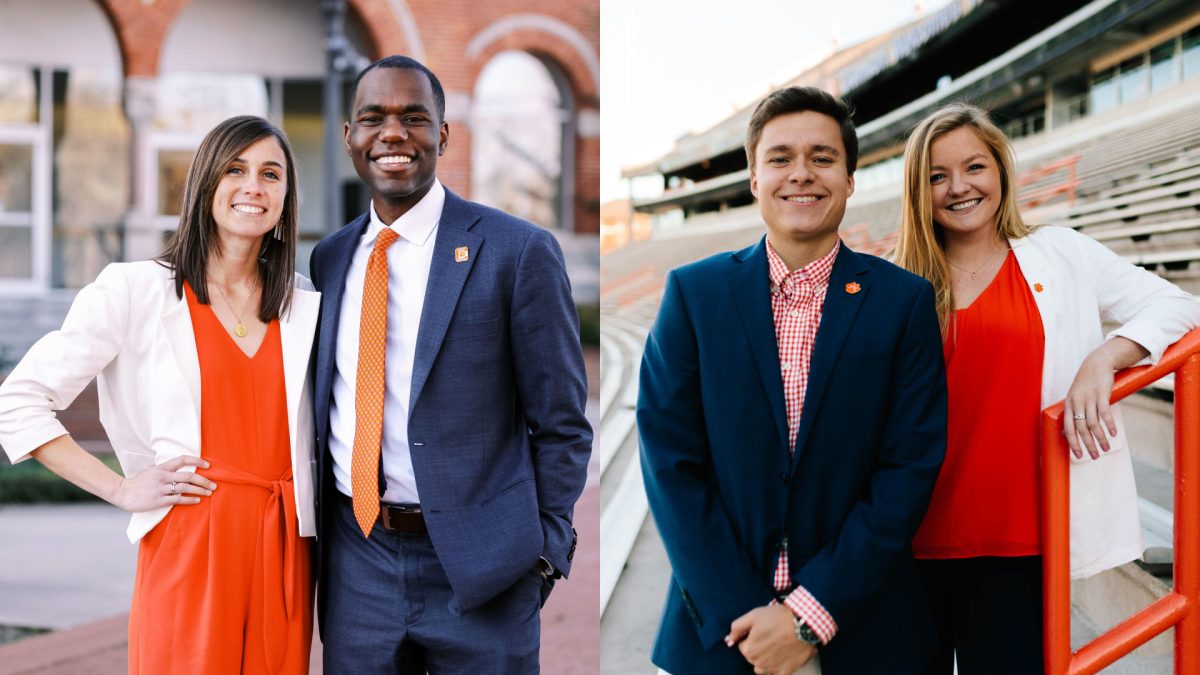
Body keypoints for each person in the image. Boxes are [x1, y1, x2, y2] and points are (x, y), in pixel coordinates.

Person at [637, 85, 947, 675]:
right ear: (754, 177)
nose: (800, 174)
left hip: (865, 631)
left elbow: (907, 471)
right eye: (780, 158)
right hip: (721, 636)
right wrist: (746, 616)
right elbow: (669, 462)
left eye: (822, 158)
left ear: (850, 179)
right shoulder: (692, 295)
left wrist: (810, 614)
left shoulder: (904, 302)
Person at [0, 115, 320, 674]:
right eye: (236, 169)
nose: (254, 187)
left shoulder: (303, 305)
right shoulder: (135, 289)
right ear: (205, 184)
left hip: (285, 551)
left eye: (271, 174)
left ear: (286, 197)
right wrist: (121, 488)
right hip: (190, 543)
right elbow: (18, 401)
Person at [893, 102, 1200, 674]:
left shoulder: (1061, 253)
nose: (959, 187)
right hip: (908, 540)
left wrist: (1106, 356)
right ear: (918, 189)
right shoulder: (896, 280)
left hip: (1020, 542)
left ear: (1001, 173)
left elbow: (1178, 303)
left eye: (975, 167)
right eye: (937, 176)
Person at [308, 54, 592, 673]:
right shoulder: (329, 260)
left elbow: (564, 422)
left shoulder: (518, 251)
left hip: (484, 569)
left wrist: (543, 551)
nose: (393, 133)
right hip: (358, 565)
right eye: (373, 118)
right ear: (351, 136)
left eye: (414, 117)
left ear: (441, 134)